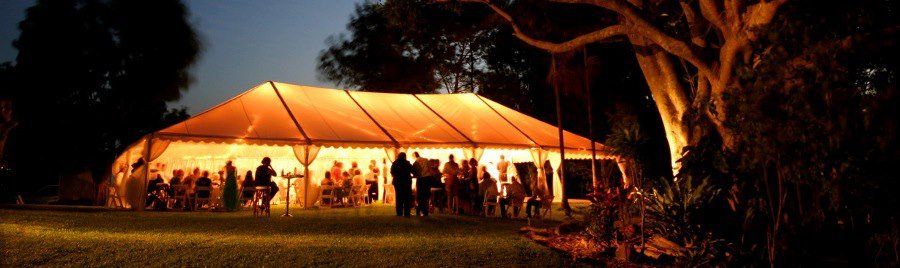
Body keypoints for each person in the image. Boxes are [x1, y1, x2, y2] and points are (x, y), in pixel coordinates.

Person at [391, 152, 414, 217]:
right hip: (406, 182)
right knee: (407, 197)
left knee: (399, 197)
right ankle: (407, 213)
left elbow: (392, 172)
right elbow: (412, 170)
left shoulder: (395, 163)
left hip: (397, 182)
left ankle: (399, 213)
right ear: (405, 156)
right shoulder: (407, 163)